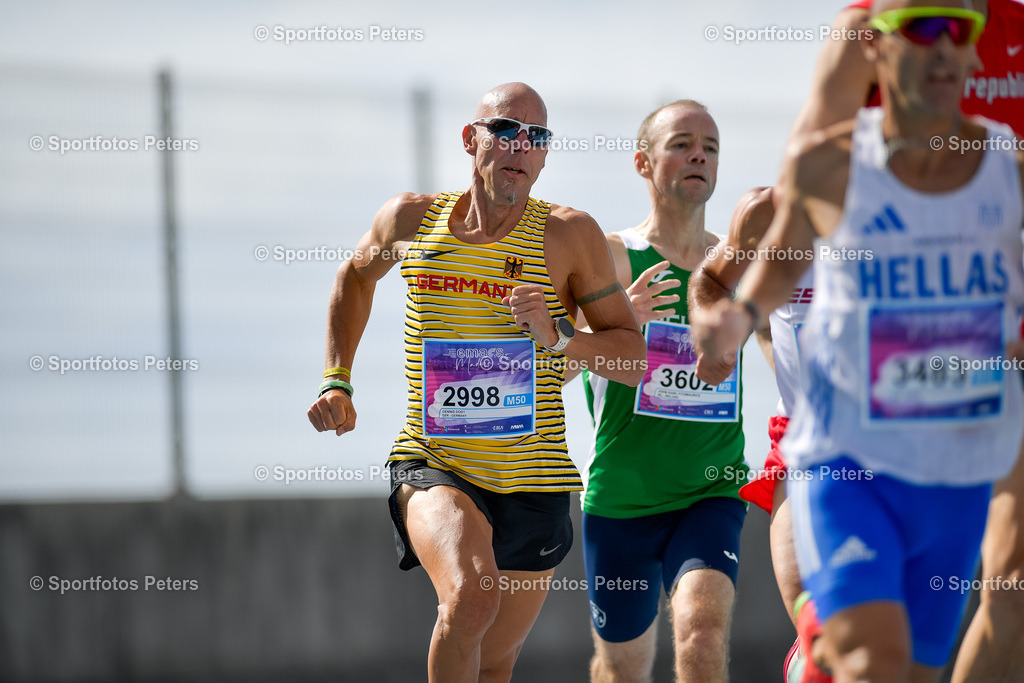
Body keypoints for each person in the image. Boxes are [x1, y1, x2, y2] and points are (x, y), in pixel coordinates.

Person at [691, 0, 1024, 679]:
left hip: (954, 468)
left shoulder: (1005, 169)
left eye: (960, 33)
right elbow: (771, 263)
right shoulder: (825, 168)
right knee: (870, 660)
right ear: (874, 48)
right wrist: (732, 319)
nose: (943, 48)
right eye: (923, 29)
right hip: (842, 458)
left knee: (905, 669)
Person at [306, 82, 646, 683]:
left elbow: (632, 358)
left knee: (495, 661)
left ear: (545, 156)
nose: (521, 146)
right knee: (470, 600)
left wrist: (561, 335)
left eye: (537, 137)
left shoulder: (569, 236)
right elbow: (354, 279)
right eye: (506, 130)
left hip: (535, 481)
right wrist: (338, 379)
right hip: (435, 462)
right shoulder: (411, 219)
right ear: (471, 140)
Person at [568, 100, 748, 682]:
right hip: (622, 498)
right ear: (643, 163)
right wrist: (612, 323)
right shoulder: (613, 259)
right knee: (621, 667)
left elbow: (785, 345)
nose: (699, 153)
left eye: (711, 146)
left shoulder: (738, 265)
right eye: (682, 142)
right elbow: (552, 364)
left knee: (701, 631)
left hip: (711, 490)